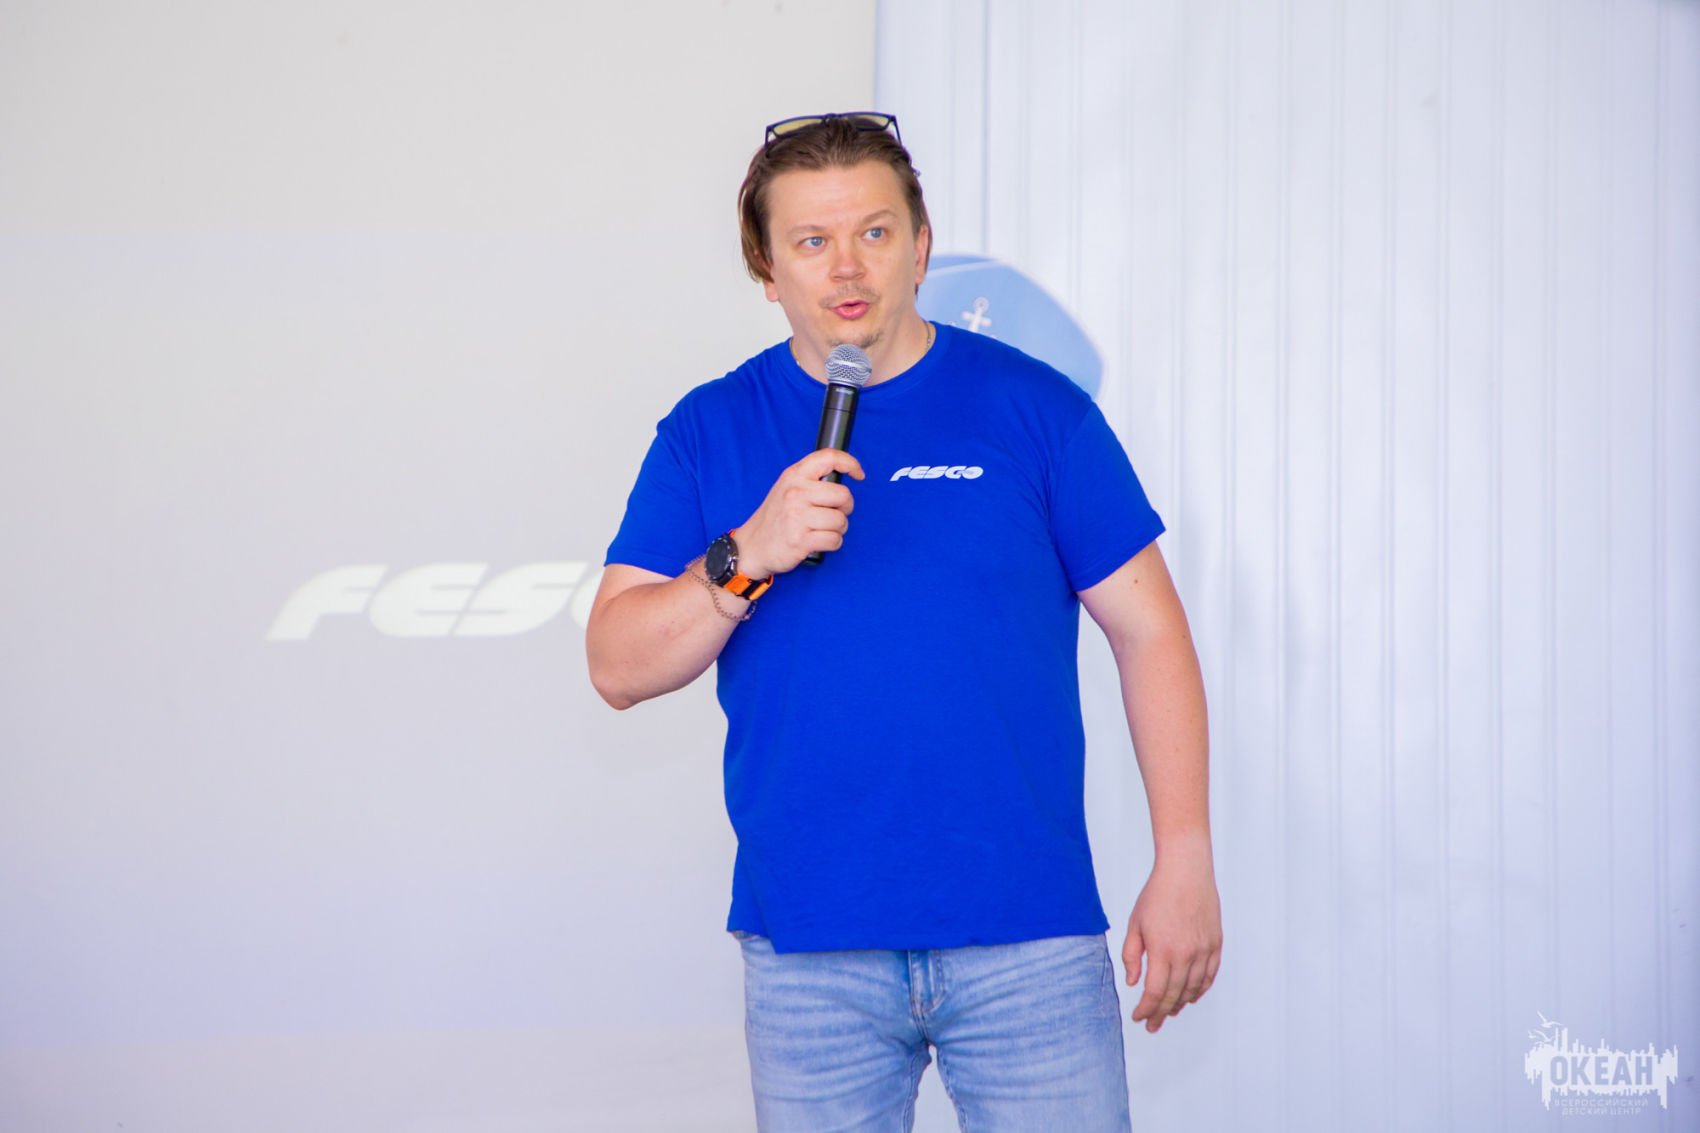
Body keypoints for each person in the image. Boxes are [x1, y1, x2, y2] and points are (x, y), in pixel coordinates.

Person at [586, 111, 1221, 1132]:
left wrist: (1183, 853)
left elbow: (1149, 632)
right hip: (810, 948)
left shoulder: (1036, 411)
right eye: (811, 240)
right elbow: (616, 663)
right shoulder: (708, 429)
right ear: (765, 268)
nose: (847, 266)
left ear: (920, 247)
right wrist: (747, 551)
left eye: (874, 232)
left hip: (1024, 935)